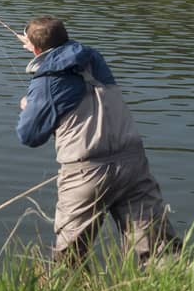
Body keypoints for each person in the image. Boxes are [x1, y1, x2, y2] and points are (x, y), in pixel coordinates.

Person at [14, 16, 178, 268]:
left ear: (36, 50)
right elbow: (68, 52)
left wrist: (27, 107)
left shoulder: (45, 84)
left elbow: (30, 136)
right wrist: (41, 46)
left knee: (70, 258)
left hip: (85, 172)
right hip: (133, 164)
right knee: (158, 248)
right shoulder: (94, 61)